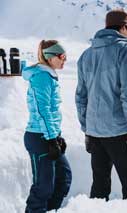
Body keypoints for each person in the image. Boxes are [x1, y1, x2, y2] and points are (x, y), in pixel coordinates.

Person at [75, 9, 127, 204]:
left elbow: (81, 97)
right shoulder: (125, 49)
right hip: (121, 133)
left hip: (95, 134)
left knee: (99, 188)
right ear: (123, 27)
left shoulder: (85, 55)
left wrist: (87, 129)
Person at [22, 40, 72, 213]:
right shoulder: (42, 77)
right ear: (50, 57)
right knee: (43, 187)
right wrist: (52, 138)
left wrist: (57, 136)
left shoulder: (49, 76)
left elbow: (50, 111)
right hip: (38, 137)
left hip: (49, 136)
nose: (64, 60)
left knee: (63, 179)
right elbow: (42, 110)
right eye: (61, 56)